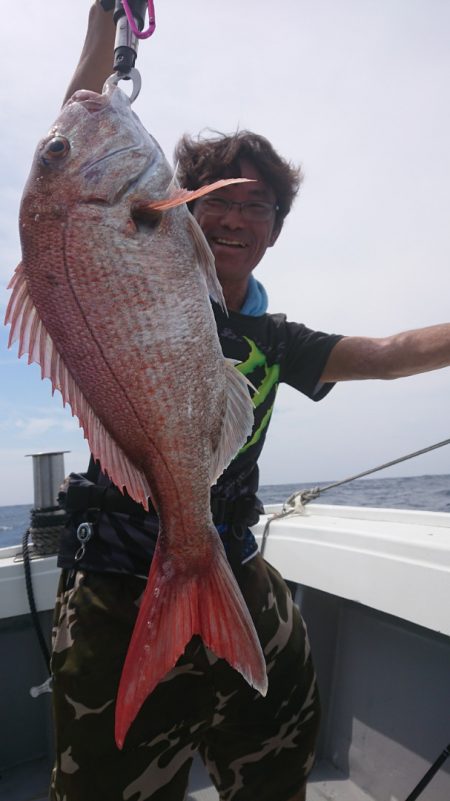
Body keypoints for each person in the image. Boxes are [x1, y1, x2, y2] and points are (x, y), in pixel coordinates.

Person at [50, 4, 450, 801]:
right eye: (215, 197)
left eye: (257, 205)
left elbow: (391, 354)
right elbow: (71, 159)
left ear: (274, 230)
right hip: (116, 583)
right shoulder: (134, 275)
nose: (234, 215)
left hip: (230, 568)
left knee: (277, 769)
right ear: (181, 210)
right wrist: (103, 31)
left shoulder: (276, 337)